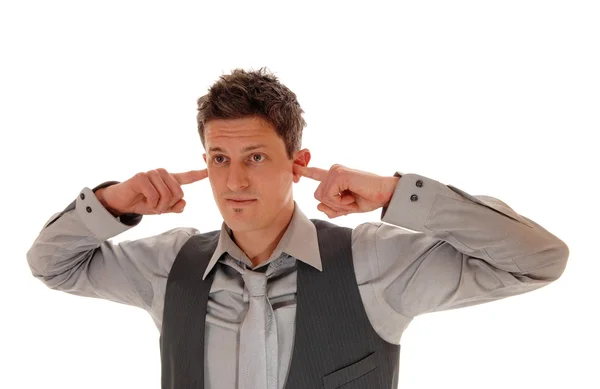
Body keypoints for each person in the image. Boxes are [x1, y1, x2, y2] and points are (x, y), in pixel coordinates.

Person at [26, 68, 569, 389]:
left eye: (256, 156)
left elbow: (539, 259)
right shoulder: (168, 265)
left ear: (297, 161)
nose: (234, 180)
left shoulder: (373, 263)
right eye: (218, 158)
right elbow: (50, 264)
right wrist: (113, 201)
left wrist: (394, 192)